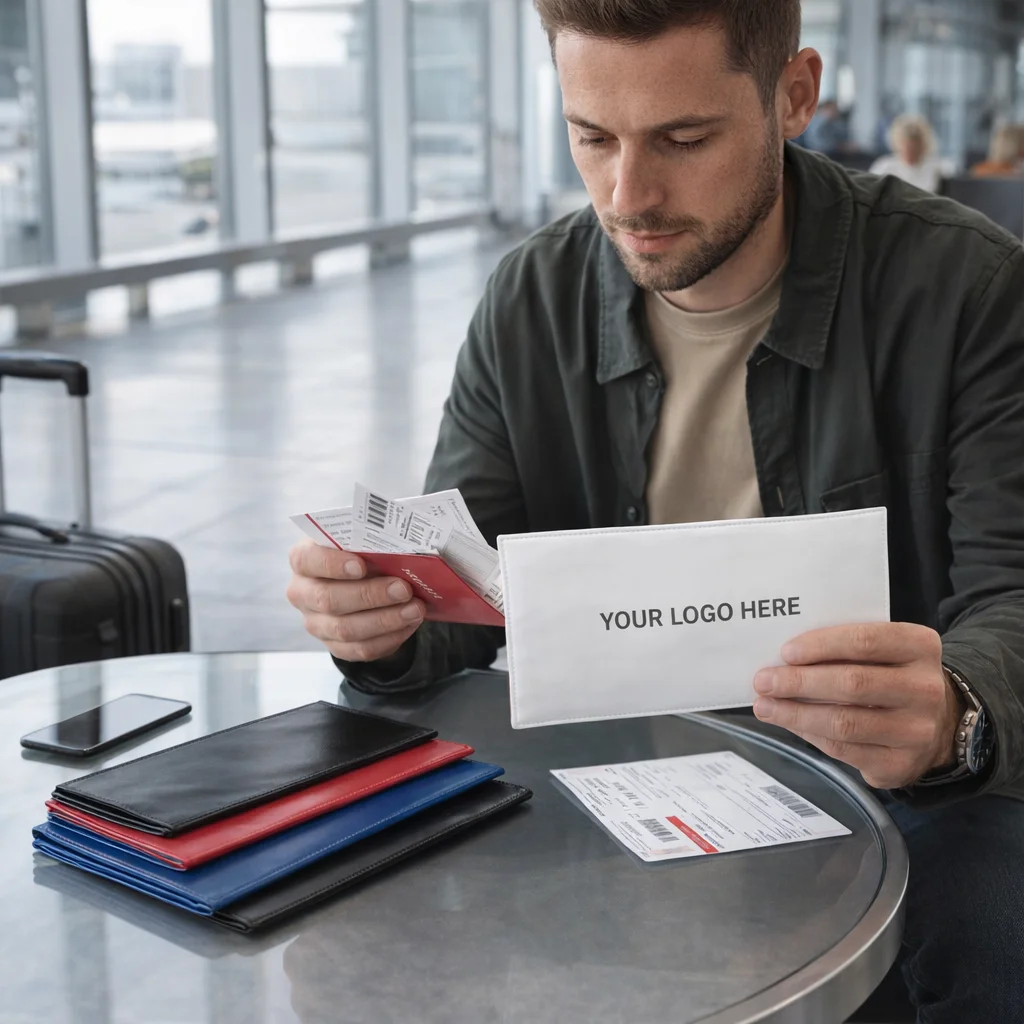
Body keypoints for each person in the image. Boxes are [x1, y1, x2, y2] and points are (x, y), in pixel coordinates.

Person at [288, 1, 1024, 1019]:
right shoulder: (529, 298)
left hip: (897, 781)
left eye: (683, 139)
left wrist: (954, 712)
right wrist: (381, 623)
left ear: (793, 95)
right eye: (592, 138)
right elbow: (467, 602)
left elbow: (1012, 595)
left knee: (996, 937)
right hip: (622, 757)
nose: (627, 195)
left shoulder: (965, 287)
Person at [869, 113, 954, 193]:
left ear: (923, 145)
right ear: (897, 144)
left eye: (915, 147)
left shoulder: (936, 166)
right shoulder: (884, 167)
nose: (911, 151)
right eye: (907, 147)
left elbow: (953, 174)